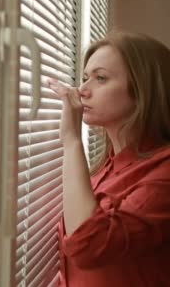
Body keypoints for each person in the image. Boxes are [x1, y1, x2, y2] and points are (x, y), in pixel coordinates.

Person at [47, 31, 170, 286]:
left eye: (100, 78)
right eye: (84, 78)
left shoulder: (164, 172)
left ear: (143, 90)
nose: (82, 91)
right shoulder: (104, 169)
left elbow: (88, 246)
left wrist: (71, 141)